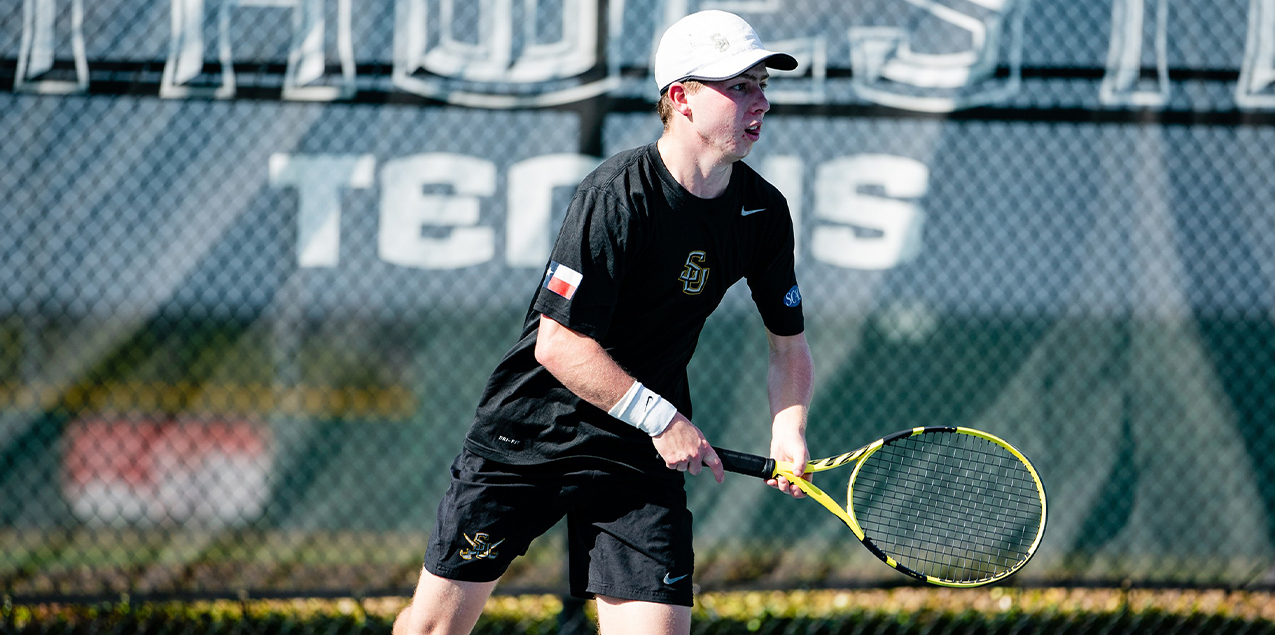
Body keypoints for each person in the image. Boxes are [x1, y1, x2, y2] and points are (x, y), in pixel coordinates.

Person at [394, 10, 814, 635]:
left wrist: (789, 433)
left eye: (763, 85)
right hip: (530, 435)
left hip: (636, 457)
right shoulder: (617, 193)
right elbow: (559, 345)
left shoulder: (761, 211)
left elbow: (789, 349)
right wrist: (664, 419)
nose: (761, 103)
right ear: (682, 98)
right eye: (740, 87)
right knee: (435, 629)